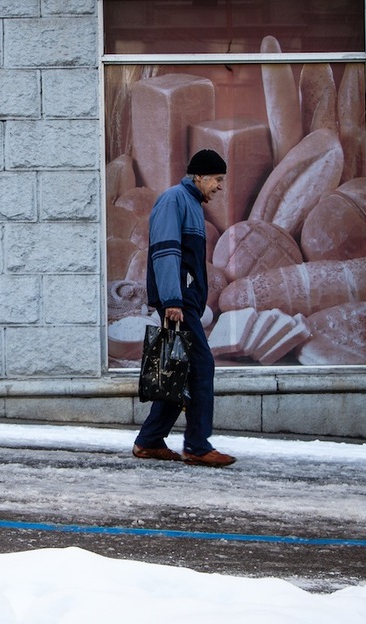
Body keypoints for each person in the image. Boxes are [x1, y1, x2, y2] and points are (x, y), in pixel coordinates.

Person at [133, 149, 236, 467]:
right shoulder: (174, 200)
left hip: (185, 301)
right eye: (217, 179)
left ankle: (150, 440)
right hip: (179, 303)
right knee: (202, 366)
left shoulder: (190, 204)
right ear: (199, 176)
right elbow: (165, 251)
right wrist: (173, 301)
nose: (220, 186)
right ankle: (197, 445)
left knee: (178, 369)